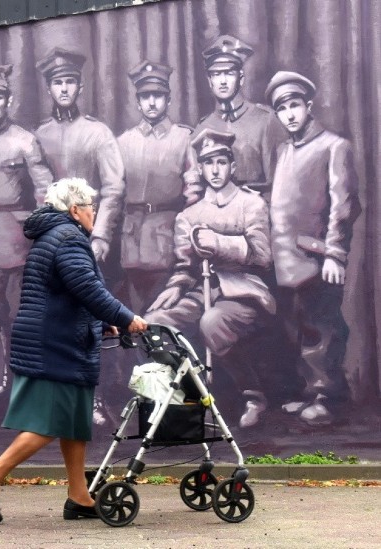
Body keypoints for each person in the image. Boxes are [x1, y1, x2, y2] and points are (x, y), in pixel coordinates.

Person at [0, 177, 148, 523]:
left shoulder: (58, 235)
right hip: (55, 344)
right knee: (52, 421)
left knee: (75, 423)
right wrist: (125, 318)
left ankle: (79, 497)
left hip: (61, 338)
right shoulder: (68, 239)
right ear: (75, 210)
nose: (94, 212)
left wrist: (99, 323)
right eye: (91, 206)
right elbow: (87, 288)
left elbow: (68, 294)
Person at [146, 129, 275, 427]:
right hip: (200, 289)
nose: (215, 170)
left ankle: (253, 395)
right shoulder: (189, 215)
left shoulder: (251, 204)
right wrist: (176, 287)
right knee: (155, 324)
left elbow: (262, 256)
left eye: (221, 162)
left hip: (244, 290)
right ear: (200, 169)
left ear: (232, 166)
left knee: (212, 321)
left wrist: (218, 241)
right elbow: (184, 266)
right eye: (208, 163)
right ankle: (188, 398)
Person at [34, 48, 126, 425]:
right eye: (58, 82)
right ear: (49, 88)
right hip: (57, 246)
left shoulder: (98, 132)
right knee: (57, 322)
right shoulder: (39, 136)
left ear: (81, 85)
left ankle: (101, 398)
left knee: (95, 323)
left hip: (93, 246)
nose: (65, 88)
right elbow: (38, 189)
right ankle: (61, 398)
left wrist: (101, 237)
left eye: (70, 81)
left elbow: (115, 187)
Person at [265, 71, 361, 425]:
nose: (289, 114)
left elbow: (344, 204)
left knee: (323, 327)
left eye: (294, 105)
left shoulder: (335, 146)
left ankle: (329, 396)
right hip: (286, 259)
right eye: (282, 109)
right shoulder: (282, 151)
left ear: (308, 106)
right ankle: (309, 391)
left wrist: (335, 252)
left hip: (318, 259)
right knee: (297, 326)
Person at [0, 63, 53, 402]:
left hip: (21, 240)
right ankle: (8, 374)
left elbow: (46, 190)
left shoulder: (25, 140)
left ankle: (31, 381)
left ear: (9, 100)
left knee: (26, 314)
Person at [116, 60, 192, 313]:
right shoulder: (123, 142)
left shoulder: (184, 138)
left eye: (157, 96)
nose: (151, 102)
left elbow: (194, 195)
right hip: (132, 243)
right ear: (137, 102)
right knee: (136, 319)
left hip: (167, 241)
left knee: (162, 318)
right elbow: (114, 194)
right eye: (145, 96)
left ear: (168, 100)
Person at [184, 35, 286, 204]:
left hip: (258, 213)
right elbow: (197, 189)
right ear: (210, 81)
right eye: (216, 74)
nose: (223, 81)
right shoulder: (203, 127)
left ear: (241, 77)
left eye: (229, 73)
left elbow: (280, 185)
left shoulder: (265, 121)